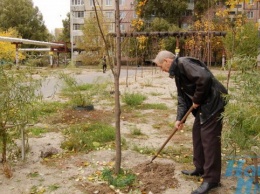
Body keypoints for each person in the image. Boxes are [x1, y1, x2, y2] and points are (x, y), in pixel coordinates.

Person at [153, 50, 228, 194]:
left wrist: (197, 99)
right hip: (204, 105)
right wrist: (179, 119)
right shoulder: (178, 74)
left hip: (213, 103)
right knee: (197, 135)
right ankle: (200, 168)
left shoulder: (184, 63)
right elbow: (182, 98)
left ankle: (212, 180)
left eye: (160, 66)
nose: (161, 69)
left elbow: (204, 78)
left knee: (210, 141)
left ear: (167, 61)